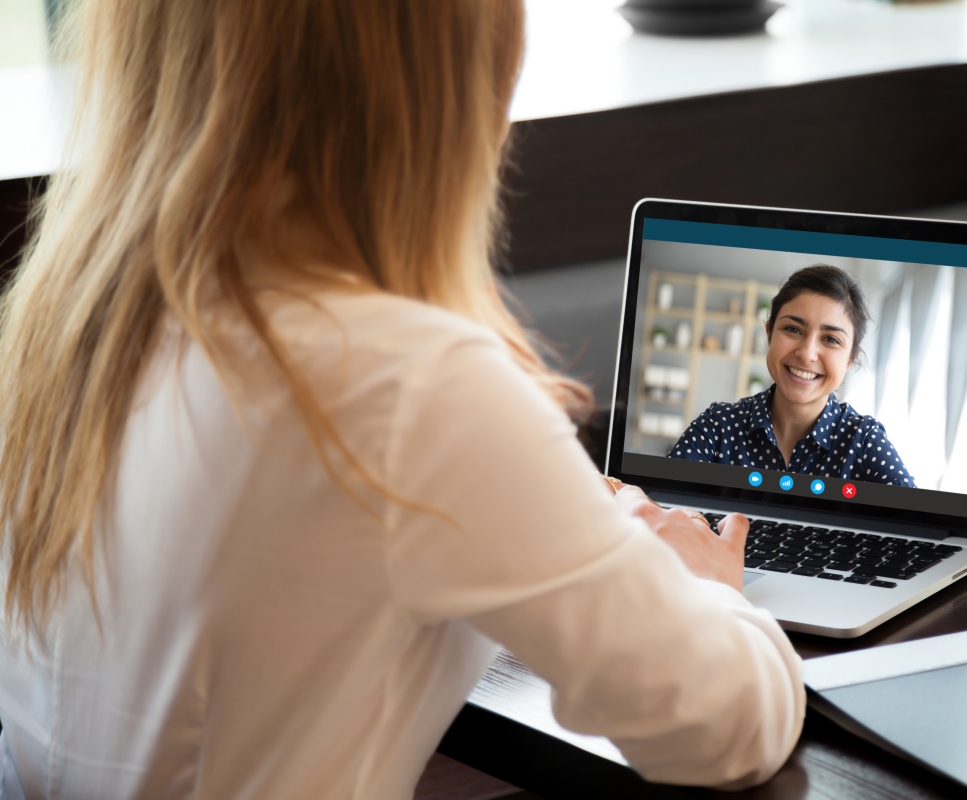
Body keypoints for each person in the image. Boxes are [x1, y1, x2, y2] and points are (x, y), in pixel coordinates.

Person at [0, 1, 804, 797]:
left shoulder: (64, 331)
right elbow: (724, 728)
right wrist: (697, 585)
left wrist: (558, 537)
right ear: (448, 81)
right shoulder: (410, 384)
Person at [669, 265, 916, 488]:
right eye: (793, 329)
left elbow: (914, 519)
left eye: (831, 339)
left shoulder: (864, 441)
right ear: (769, 334)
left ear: (851, 359)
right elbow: (661, 506)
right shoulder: (718, 425)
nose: (807, 354)